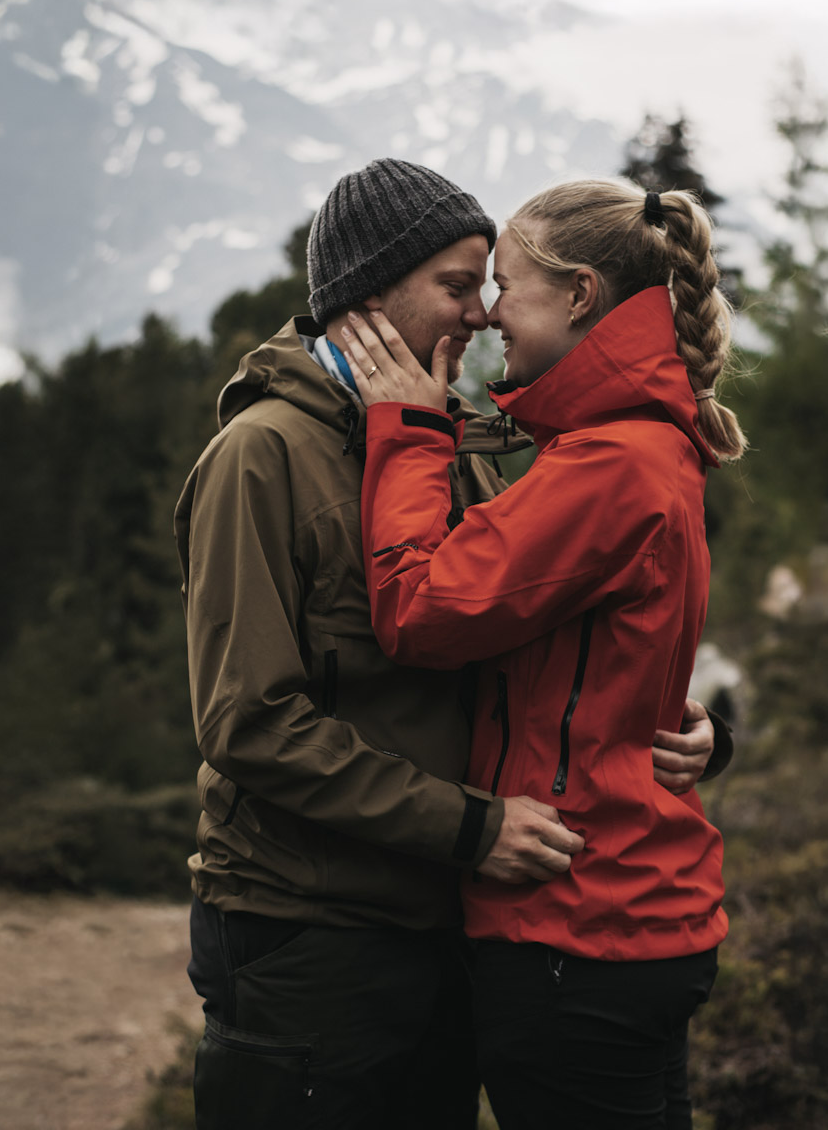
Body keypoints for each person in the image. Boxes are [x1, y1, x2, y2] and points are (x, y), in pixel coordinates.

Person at [176, 159, 724, 1130]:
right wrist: (469, 825)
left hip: (441, 924)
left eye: (493, 284)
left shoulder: (440, 445)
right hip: (311, 928)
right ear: (369, 294)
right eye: (458, 284)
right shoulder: (262, 454)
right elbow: (248, 721)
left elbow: (517, 641)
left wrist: (667, 718)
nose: (480, 313)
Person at [343, 177, 745, 1130]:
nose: (488, 316)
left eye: (508, 286)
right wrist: (702, 731)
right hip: (632, 916)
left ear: (579, 296)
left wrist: (406, 432)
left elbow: (417, 610)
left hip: (577, 927)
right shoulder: (645, 441)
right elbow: (614, 652)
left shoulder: (608, 462)